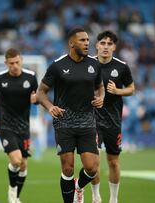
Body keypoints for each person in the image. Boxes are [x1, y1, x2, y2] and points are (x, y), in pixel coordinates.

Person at [36, 27, 104, 203]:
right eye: (82, 40)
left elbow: (100, 86)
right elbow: (41, 92)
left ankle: (79, 187)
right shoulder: (58, 66)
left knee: (92, 168)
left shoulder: (94, 64)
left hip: (87, 121)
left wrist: (102, 97)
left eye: (88, 40)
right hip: (64, 121)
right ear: (71, 43)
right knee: (67, 169)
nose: (87, 43)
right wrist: (50, 107)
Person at [0, 48, 38, 203]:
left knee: (23, 165)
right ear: (6, 63)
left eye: (17, 62)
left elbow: (38, 94)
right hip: (5, 125)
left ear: (21, 60)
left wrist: (36, 98)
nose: (15, 66)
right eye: (11, 63)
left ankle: (16, 197)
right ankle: (12, 191)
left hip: (23, 126)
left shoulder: (31, 77)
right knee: (16, 160)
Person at [90, 31, 135, 203]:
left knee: (113, 162)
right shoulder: (88, 64)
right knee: (93, 161)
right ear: (97, 45)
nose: (106, 47)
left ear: (114, 47)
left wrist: (118, 91)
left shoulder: (122, 67)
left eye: (109, 44)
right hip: (91, 119)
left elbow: (131, 88)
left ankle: (114, 200)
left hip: (113, 121)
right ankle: (96, 197)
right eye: (102, 43)